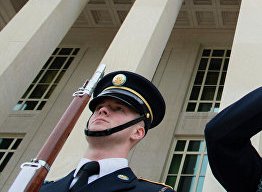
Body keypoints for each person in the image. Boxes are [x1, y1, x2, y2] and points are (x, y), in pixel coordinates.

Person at [40, 70, 175, 192]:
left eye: (118, 108)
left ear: (137, 132)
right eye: (99, 106)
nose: (102, 110)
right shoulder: (40, 188)